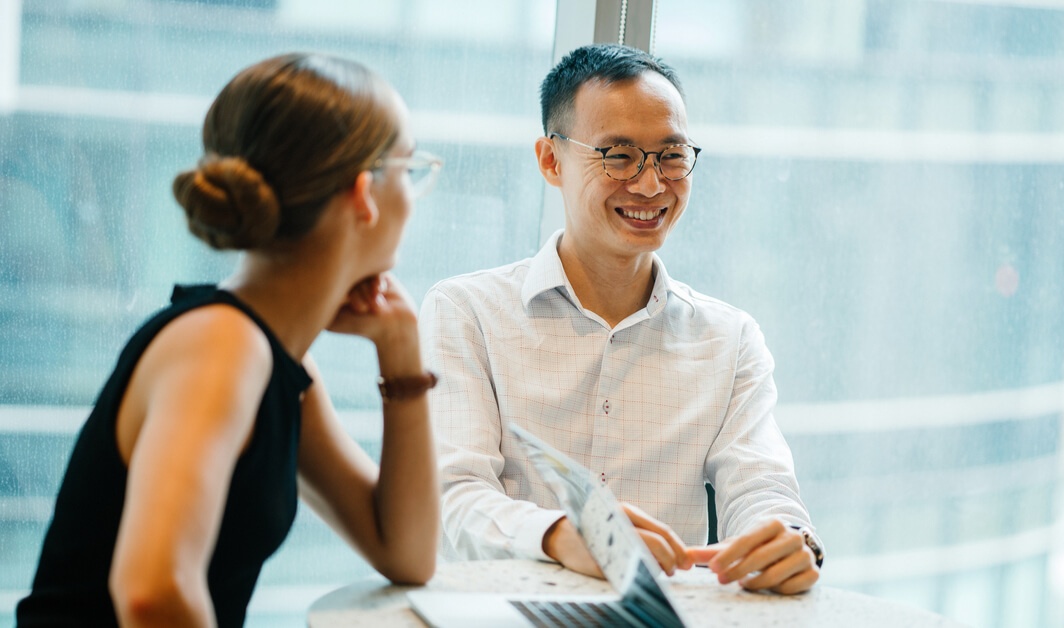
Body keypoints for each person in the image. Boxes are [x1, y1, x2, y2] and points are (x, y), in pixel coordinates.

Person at [16, 52, 443, 626]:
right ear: (364, 193)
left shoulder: (274, 360)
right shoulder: (222, 346)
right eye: (409, 168)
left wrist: (401, 354)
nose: (414, 196)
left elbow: (406, 553)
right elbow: (152, 592)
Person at [420, 43, 823, 596]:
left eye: (672, 155)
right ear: (550, 159)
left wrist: (787, 542)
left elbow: (762, 488)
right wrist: (565, 536)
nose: (651, 185)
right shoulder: (466, 312)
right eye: (618, 155)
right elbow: (451, 497)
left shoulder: (728, 339)